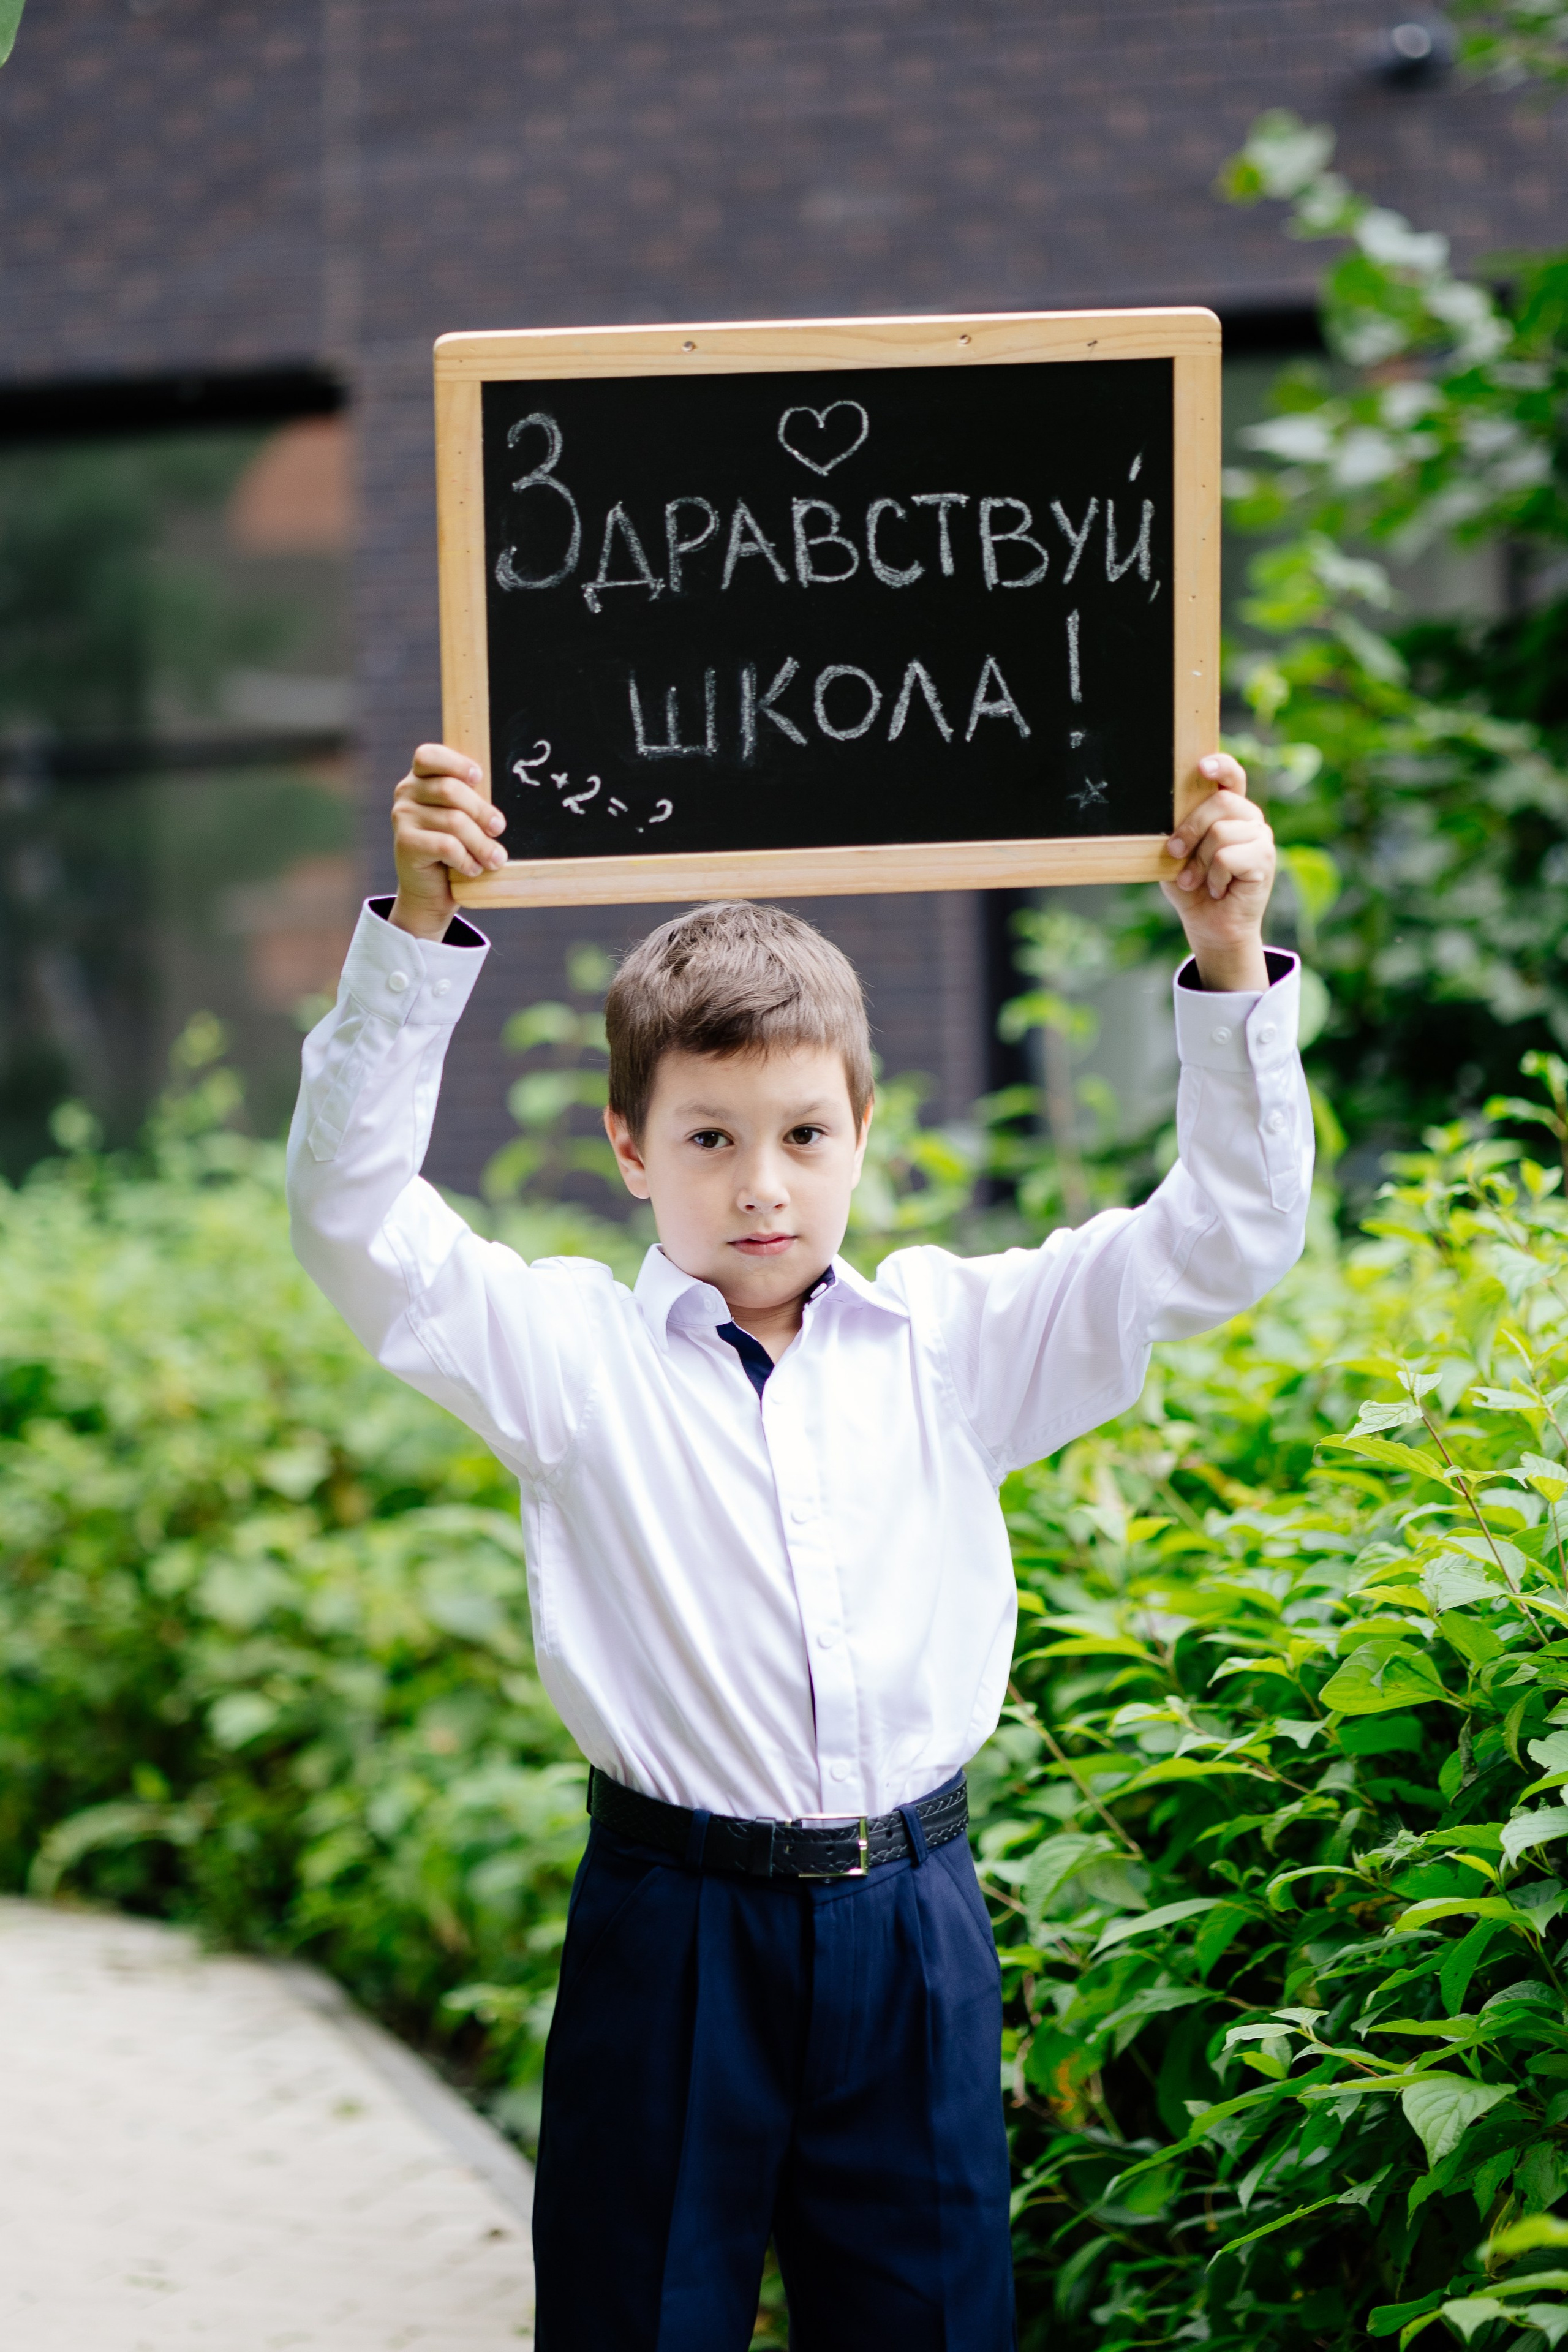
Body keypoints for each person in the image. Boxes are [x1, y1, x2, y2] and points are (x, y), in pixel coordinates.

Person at [287, 741, 1310, 2352]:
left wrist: (1229, 956)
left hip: (912, 1925)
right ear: (630, 1147)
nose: (762, 1187)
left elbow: (1225, 1237)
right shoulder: (567, 1361)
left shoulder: (956, 1345)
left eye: (804, 1136)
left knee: (932, 2325)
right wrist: (417, 931)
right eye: (708, 1139)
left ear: (861, 1132)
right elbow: (350, 1215)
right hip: (675, 1929)